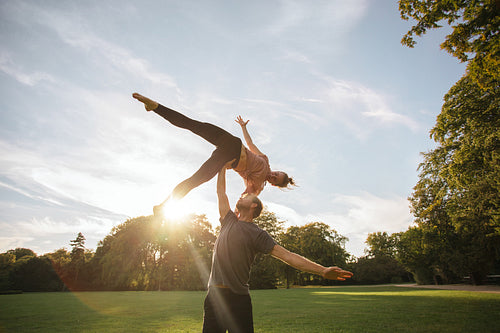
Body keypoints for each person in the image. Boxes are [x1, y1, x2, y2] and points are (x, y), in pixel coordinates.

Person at [203, 164, 353, 333]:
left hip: (238, 300)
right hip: (214, 297)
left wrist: (323, 271)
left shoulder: (258, 234)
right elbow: (221, 192)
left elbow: (288, 256)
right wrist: (222, 165)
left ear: (254, 206)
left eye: (246, 197)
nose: (241, 197)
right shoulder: (228, 220)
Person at [132, 93, 295, 213]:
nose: (273, 175)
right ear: (278, 170)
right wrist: (244, 127)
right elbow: (250, 144)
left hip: (226, 157)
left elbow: (244, 198)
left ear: (274, 184)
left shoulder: (258, 186)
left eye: (275, 179)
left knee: (194, 180)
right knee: (193, 125)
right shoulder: (265, 160)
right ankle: (156, 107)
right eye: (277, 173)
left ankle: (163, 206)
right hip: (232, 142)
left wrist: (236, 217)